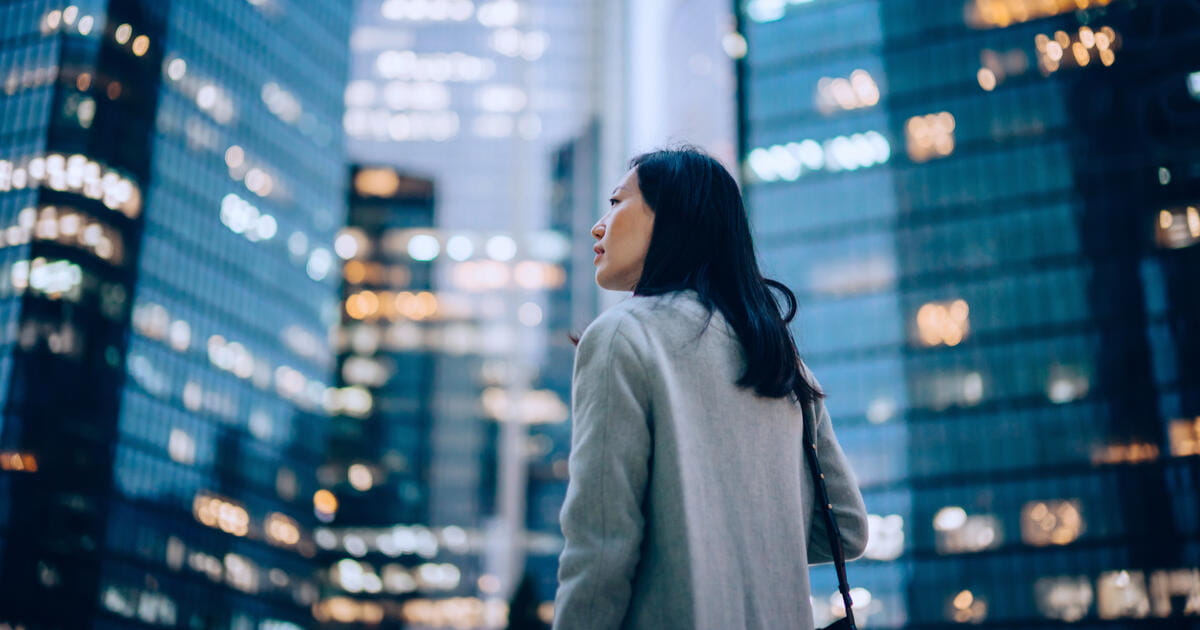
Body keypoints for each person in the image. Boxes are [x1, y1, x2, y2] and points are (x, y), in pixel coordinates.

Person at [552, 147, 868, 629]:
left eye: (617, 202)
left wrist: (693, 538)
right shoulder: (779, 358)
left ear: (676, 217)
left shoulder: (625, 334)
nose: (599, 225)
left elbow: (600, 544)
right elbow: (844, 530)